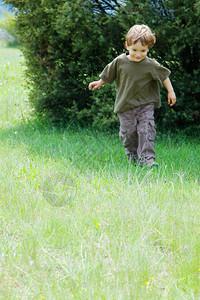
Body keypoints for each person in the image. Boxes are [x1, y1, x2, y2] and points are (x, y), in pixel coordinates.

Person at [88, 24, 176, 167]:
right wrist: (100, 82)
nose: (138, 54)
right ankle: (133, 158)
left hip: (145, 105)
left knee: (145, 130)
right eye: (134, 50)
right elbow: (109, 74)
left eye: (143, 51)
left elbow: (164, 76)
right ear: (127, 46)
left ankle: (147, 160)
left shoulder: (150, 64)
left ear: (148, 49)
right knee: (129, 134)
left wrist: (170, 91)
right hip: (125, 106)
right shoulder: (120, 61)